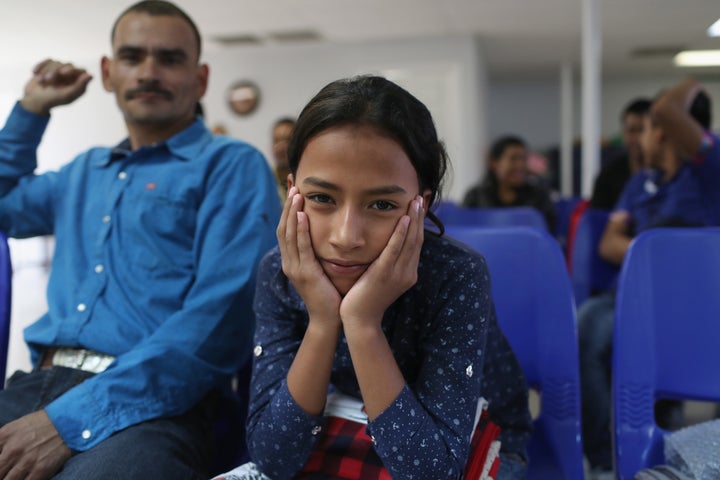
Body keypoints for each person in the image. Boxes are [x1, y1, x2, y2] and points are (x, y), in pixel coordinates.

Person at [0, 1, 280, 478]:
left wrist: (68, 422)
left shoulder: (231, 164)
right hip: (34, 387)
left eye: (170, 59)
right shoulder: (82, 171)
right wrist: (29, 112)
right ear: (108, 73)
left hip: (157, 406)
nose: (149, 72)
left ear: (201, 78)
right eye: (132, 57)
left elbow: (219, 323)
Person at [213, 76, 532, 480]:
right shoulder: (280, 272)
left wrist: (362, 324)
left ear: (421, 205)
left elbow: (432, 473)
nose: (346, 237)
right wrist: (324, 320)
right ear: (292, 193)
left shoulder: (456, 274)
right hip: (357, 425)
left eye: (382, 204)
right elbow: (274, 458)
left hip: (480, 440)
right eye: (322, 198)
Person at [579, 79, 720, 475]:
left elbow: (666, 110)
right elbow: (608, 244)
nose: (640, 139)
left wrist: (691, 83)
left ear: (669, 131)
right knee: (585, 329)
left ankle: (670, 441)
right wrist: (657, 253)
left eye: (648, 129)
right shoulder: (638, 183)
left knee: (663, 350)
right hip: (628, 297)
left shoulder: (709, 172)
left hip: (691, 303)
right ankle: (607, 459)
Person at [462, 135, 557, 232]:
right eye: (513, 158)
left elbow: (548, 235)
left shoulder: (539, 197)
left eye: (524, 159)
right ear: (494, 162)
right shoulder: (475, 197)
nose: (520, 165)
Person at [589, 97, 652, 210]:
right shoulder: (609, 173)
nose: (637, 139)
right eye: (631, 131)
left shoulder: (669, 175)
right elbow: (597, 217)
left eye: (642, 130)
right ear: (623, 133)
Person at [270, 116, 296, 199]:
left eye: (288, 140)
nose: (280, 147)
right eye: (276, 141)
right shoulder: (266, 178)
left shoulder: (308, 178)